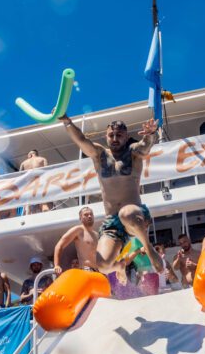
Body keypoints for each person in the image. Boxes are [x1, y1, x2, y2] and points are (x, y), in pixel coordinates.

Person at [59, 115, 163, 273]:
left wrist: (150, 135)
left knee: (126, 213)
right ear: (106, 136)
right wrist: (67, 122)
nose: (114, 138)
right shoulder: (99, 155)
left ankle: (148, 248)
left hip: (135, 215)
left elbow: (145, 147)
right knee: (102, 265)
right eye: (111, 135)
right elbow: (81, 140)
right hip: (112, 223)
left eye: (119, 135)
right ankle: (119, 266)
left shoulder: (133, 152)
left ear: (126, 137)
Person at [53, 207, 99, 274]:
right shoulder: (78, 230)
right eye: (86, 215)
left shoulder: (96, 235)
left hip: (99, 272)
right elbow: (59, 245)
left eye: (91, 214)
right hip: (86, 270)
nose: (89, 216)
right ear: (80, 218)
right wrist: (57, 265)